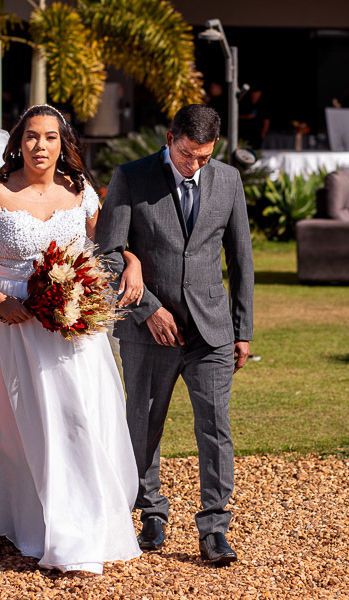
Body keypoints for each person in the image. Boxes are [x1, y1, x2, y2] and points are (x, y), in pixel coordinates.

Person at [0, 104, 144, 575]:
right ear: (18, 142)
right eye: (31, 137)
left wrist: (132, 260)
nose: (40, 146)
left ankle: (83, 526)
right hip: (14, 323)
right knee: (29, 423)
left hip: (73, 323)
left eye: (49, 137)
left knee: (79, 416)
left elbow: (106, 239)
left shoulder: (80, 191)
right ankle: (39, 521)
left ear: (62, 144)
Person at [95, 104, 254, 565]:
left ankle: (215, 528)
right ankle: (150, 514)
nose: (195, 166)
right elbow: (106, 257)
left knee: (215, 430)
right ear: (170, 139)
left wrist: (242, 329)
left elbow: (241, 258)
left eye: (204, 157)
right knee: (142, 428)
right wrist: (148, 310)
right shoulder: (131, 177)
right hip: (148, 332)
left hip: (212, 332)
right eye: (187, 155)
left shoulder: (227, 180)